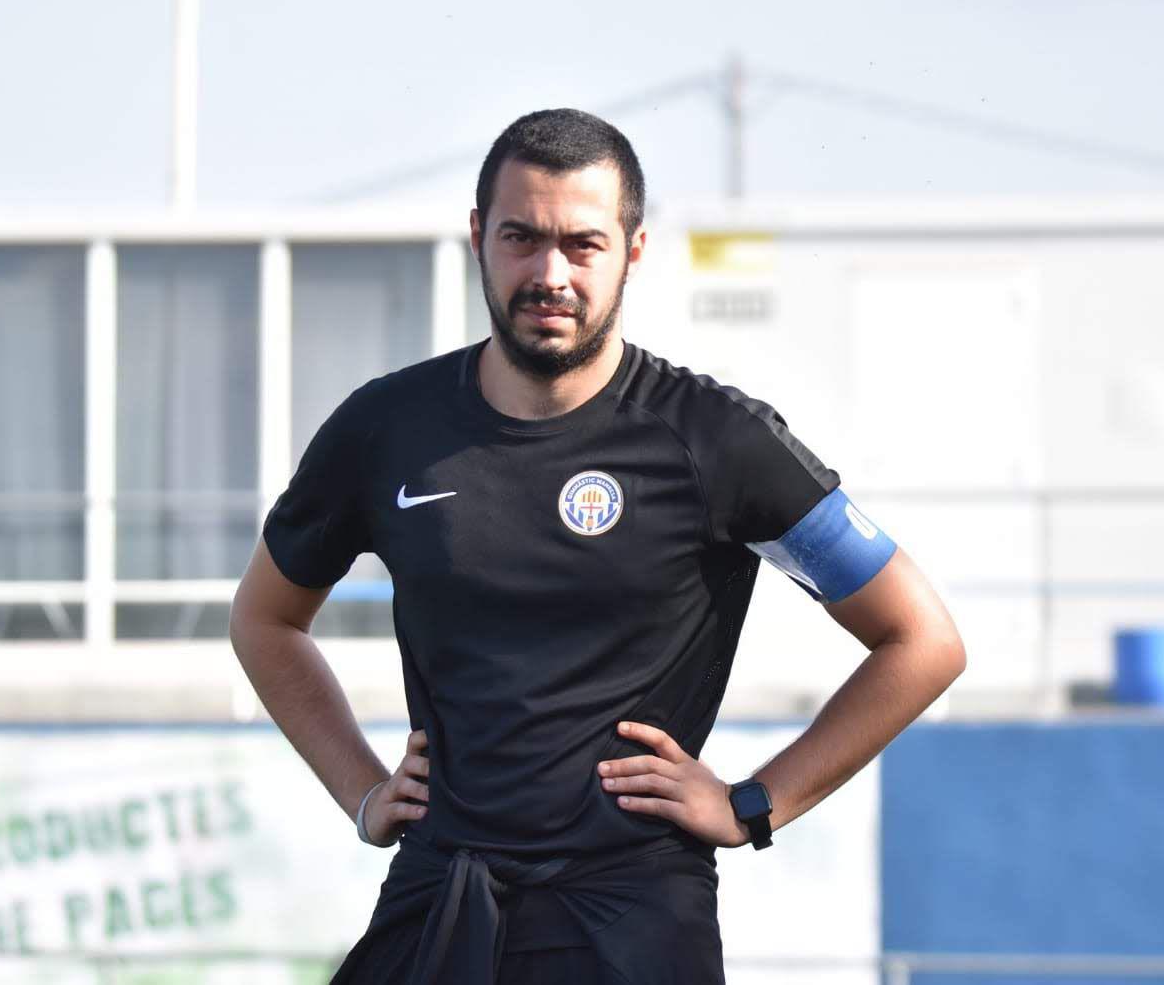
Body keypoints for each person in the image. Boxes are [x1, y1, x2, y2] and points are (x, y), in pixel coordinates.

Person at [230, 108, 966, 984]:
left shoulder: (716, 440)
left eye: (582, 244)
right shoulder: (386, 429)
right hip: (443, 894)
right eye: (521, 238)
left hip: (633, 914)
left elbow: (922, 640)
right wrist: (360, 788)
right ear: (477, 238)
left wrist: (753, 804)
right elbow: (266, 619)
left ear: (634, 250)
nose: (549, 273)